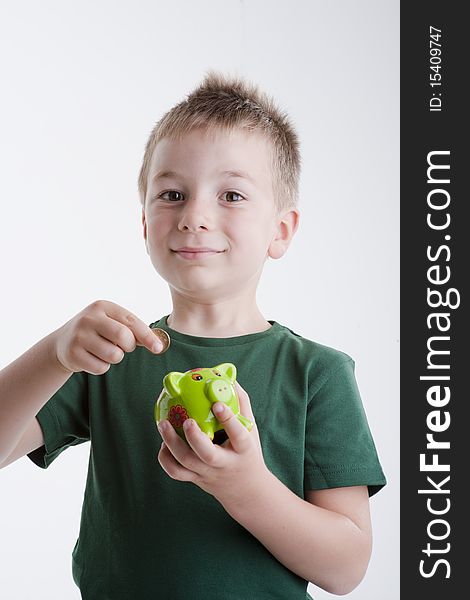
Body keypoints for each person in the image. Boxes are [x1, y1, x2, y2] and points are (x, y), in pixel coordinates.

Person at [0, 70, 386, 599]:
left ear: (281, 230)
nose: (195, 216)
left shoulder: (317, 373)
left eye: (231, 194)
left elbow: (346, 569)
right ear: (144, 224)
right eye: (173, 193)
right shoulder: (109, 356)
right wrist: (54, 353)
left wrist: (246, 488)